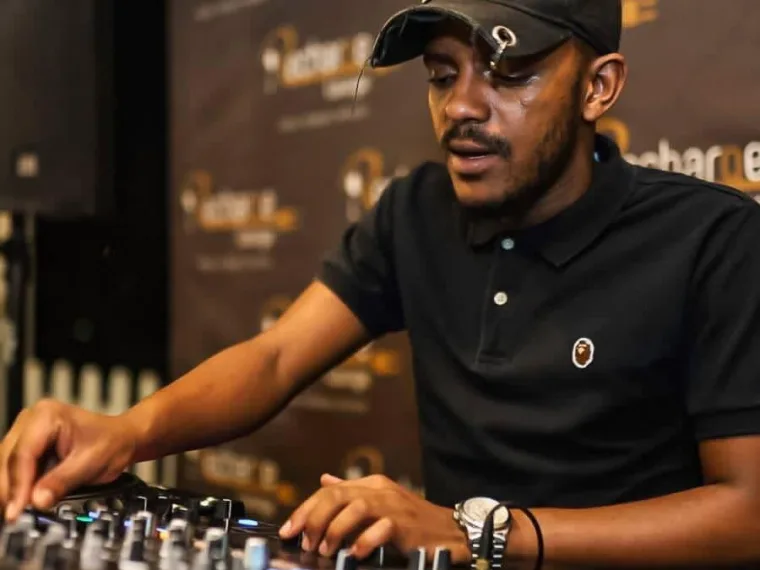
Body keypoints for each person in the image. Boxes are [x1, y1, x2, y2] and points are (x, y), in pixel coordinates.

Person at [3, 0, 760, 567]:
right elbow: (275, 359)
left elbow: (747, 513)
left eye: (508, 73)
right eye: (442, 75)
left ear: (599, 86)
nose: (461, 107)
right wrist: (126, 433)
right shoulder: (414, 213)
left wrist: (481, 533)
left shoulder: (713, 240)